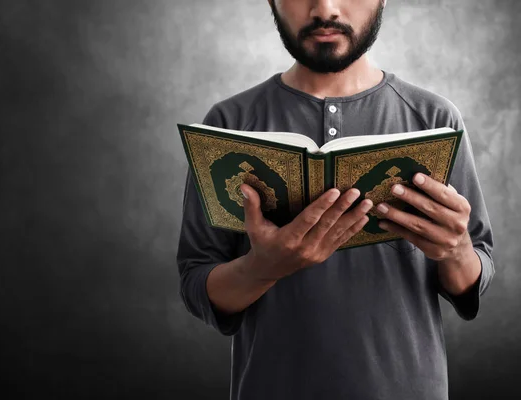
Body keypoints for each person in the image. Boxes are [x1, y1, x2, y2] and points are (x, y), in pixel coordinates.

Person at [176, 0, 495, 399]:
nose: (325, 8)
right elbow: (196, 280)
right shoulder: (227, 125)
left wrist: (457, 249)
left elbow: (477, 267)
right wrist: (261, 268)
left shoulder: (434, 119)